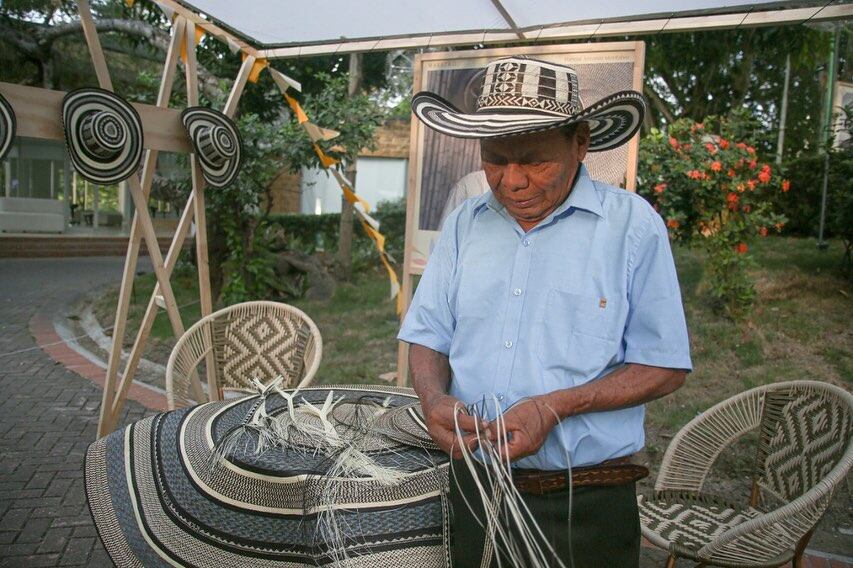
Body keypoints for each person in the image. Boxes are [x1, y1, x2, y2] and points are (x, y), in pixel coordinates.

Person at [398, 56, 692, 567]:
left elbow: (663, 366)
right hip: (475, 487)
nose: (512, 182)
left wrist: (555, 406)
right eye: (494, 159)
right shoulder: (466, 223)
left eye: (534, 161)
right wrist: (431, 396)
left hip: (586, 500)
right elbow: (429, 334)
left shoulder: (631, 226)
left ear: (581, 143)